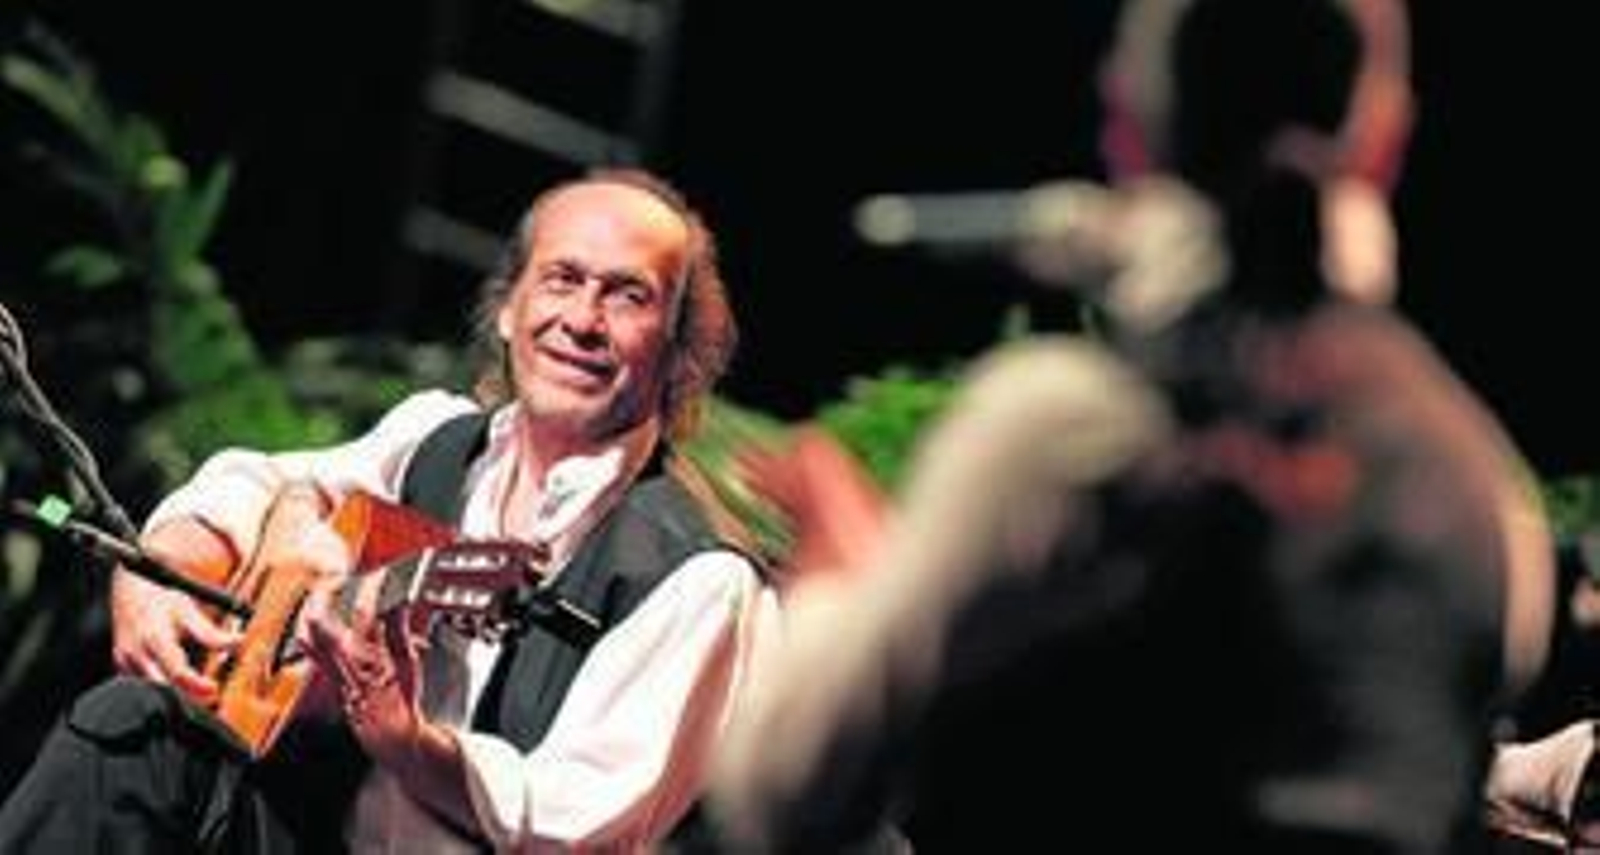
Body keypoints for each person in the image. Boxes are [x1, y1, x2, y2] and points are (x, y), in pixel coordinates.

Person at [700, 0, 1557, 852]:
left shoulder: (1065, 434)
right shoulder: (1480, 494)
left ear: (1126, 126)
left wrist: (838, 582)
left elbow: (785, 794)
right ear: (1387, 141)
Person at [0, 166, 779, 852]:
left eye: (627, 295)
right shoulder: (434, 438)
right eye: (562, 279)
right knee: (126, 730)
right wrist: (168, 559)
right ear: (508, 309)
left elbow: (578, 825)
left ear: (680, 354)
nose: (581, 319)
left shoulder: (695, 575)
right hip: (317, 830)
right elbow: (256, 479)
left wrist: (409, 743)